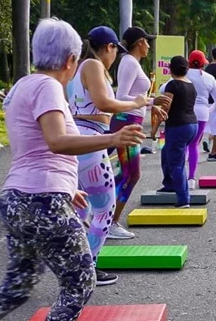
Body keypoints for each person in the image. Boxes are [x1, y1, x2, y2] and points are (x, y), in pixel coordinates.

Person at [0, 19, 143, 321]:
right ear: (71, 60)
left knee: (15, 288)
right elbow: (58, 141)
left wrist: (68, 187)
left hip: (18, 199)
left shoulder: (22, 86)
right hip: (42, 201)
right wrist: (114, 137)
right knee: (80, 281)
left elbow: (38, 148)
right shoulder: (48, 87)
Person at [67, 26, 151, 285]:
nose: (115, 56)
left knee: (84, 207)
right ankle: (88, 268)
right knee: (105, 208)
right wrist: (137, 103)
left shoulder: (78, 67)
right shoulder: (92, 65)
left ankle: (75, 266)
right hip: (90, 138)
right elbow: (104, 103)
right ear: (109, 47)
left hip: (81, 138)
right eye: (115, 50)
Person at [109, 26, 157, 239]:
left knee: (124, 173)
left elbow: (136, 100)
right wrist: (148, 101)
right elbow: (121, 96)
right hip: (125, 122)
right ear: (139, 42)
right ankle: (110, 221)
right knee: (132, 173)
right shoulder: (129, 62)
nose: (149, 45)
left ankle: (106, 216)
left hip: (132, 120)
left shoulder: (132, 62)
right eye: (147, 41)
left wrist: (151, 104)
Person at [158, 56, 198, 207]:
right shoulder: (191, 85)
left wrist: (155, 128)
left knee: (177, 163)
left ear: (170, 69)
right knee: (167, 153)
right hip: (191, 125)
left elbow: (165, 107)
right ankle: (169, 184)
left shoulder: (172, 85)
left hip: (177, 126)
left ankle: (183, 199)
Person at [186, 50, 216, 189]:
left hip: (184, 112)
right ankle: (191, 178)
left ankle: (176, 176)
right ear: (203, 63)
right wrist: (208, 111)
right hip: (202, 114)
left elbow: (163, 90)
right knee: (194, 144)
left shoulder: (182, 75)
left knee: (181, 145)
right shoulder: (209, 78)